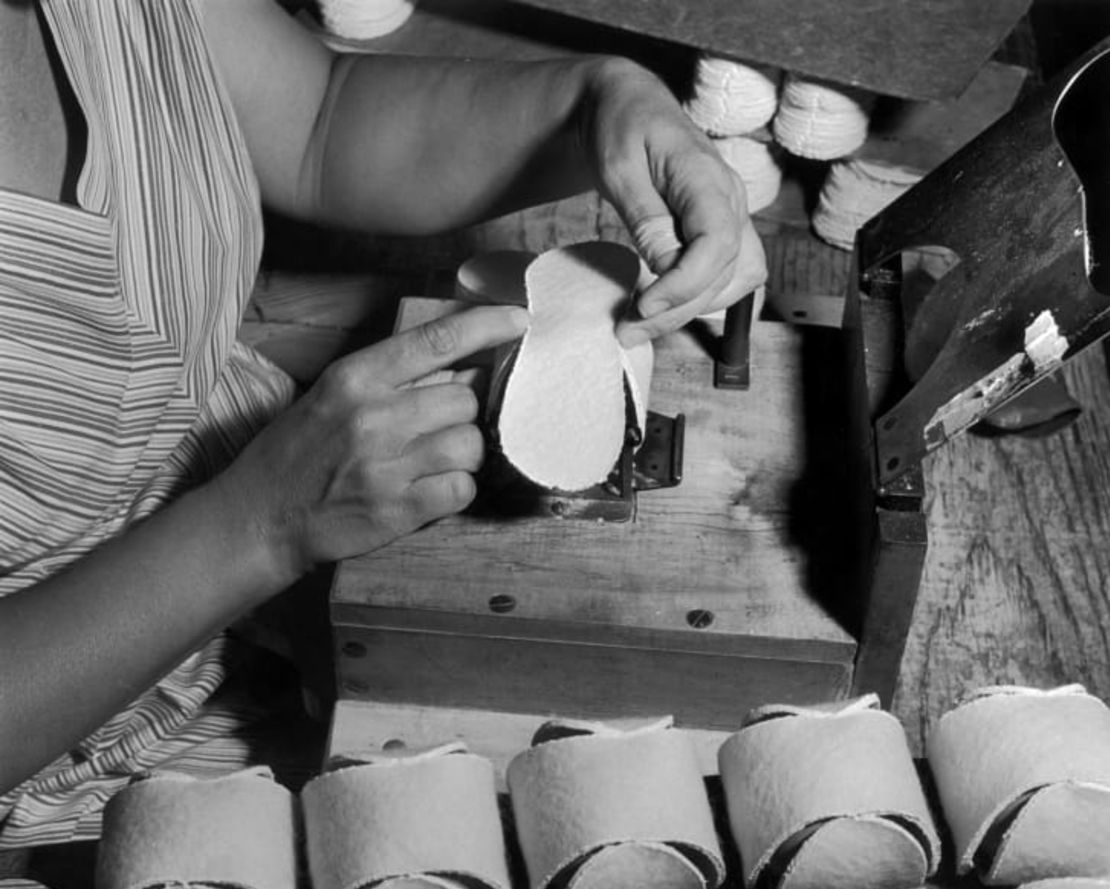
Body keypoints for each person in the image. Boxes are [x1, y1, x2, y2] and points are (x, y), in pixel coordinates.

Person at [0, 0, 765, 845]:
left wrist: (598, 105)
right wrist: (257, 529)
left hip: (264, 482)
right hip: (79, 745)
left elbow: (320, 123)